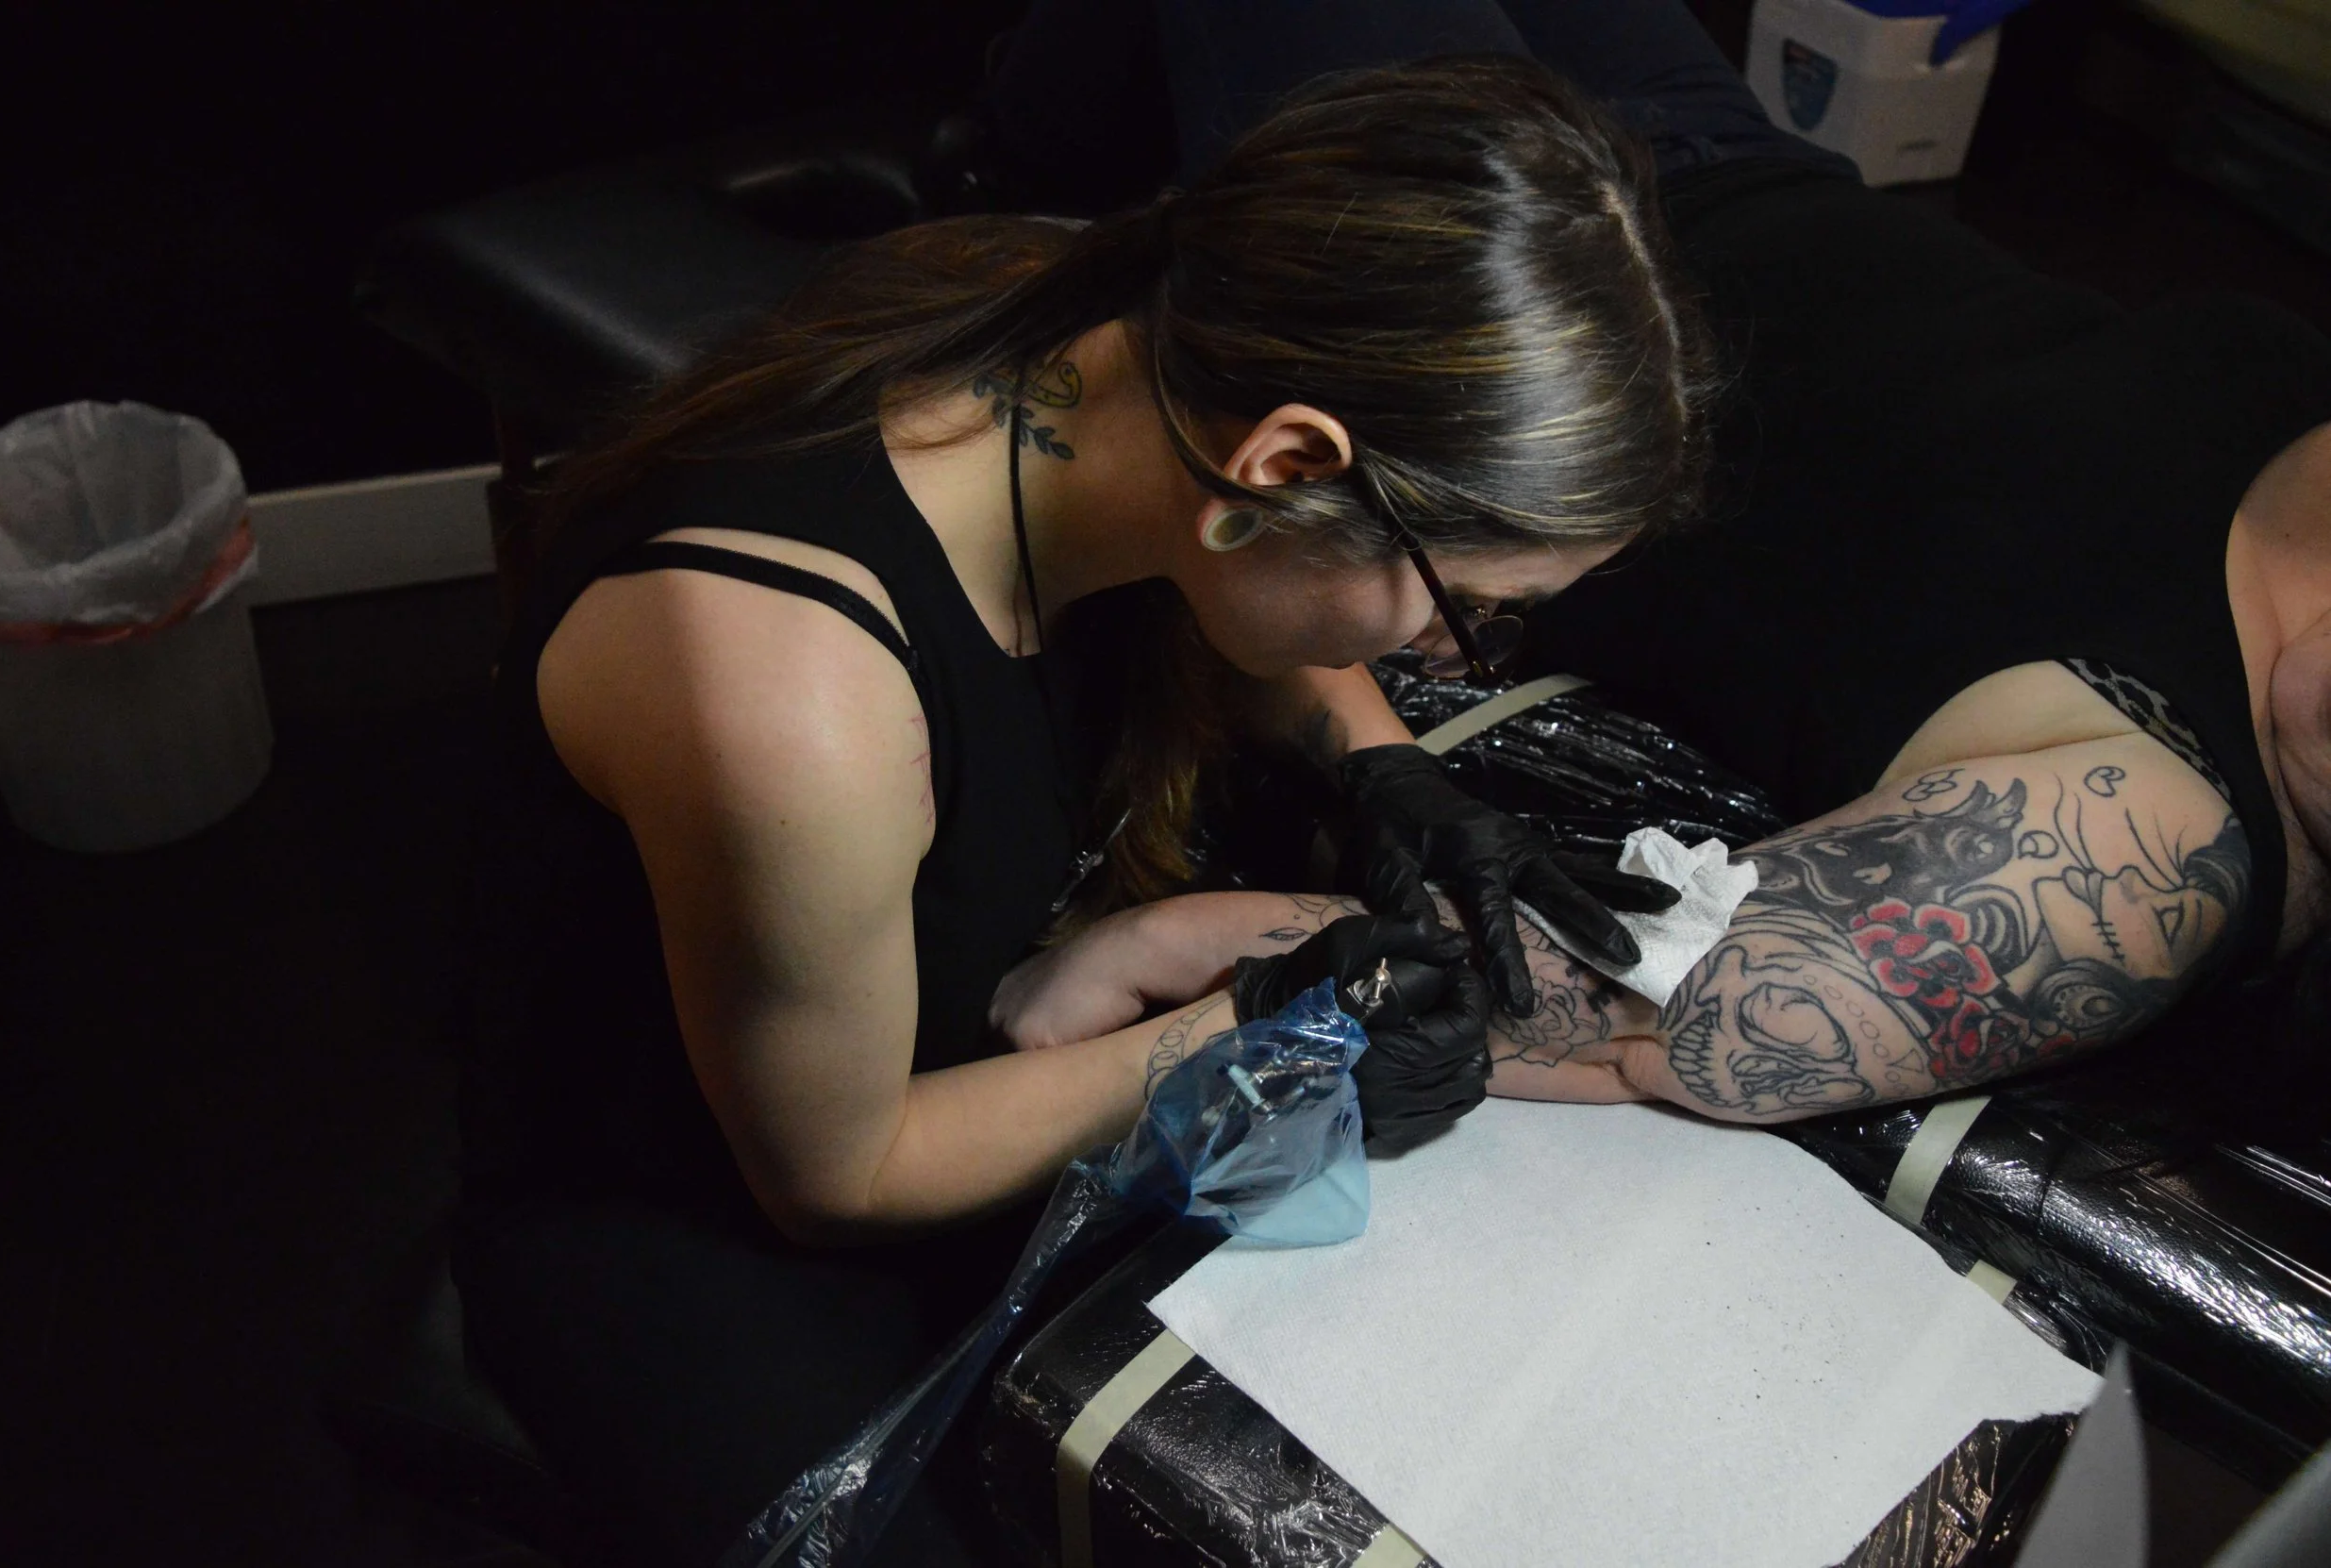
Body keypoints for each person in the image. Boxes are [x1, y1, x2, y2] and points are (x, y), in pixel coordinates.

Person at [457, 53, 1705, 1568]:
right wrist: (1255, 1027)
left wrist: (1393, 768)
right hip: (698, 1194)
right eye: (1469, 612)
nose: (1443, 662)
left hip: (969, 1008)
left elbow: (1234, 572)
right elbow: (837, 1177)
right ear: (1290, 461)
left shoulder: (1128, 332)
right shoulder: (798, 702)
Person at [980, 0, 2331, 1124]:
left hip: (1491, 350)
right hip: (1687, 175)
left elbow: (1638, 1008)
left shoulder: (2142, 849)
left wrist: (1185, 949)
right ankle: (1056, 159)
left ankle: (1017, 170)